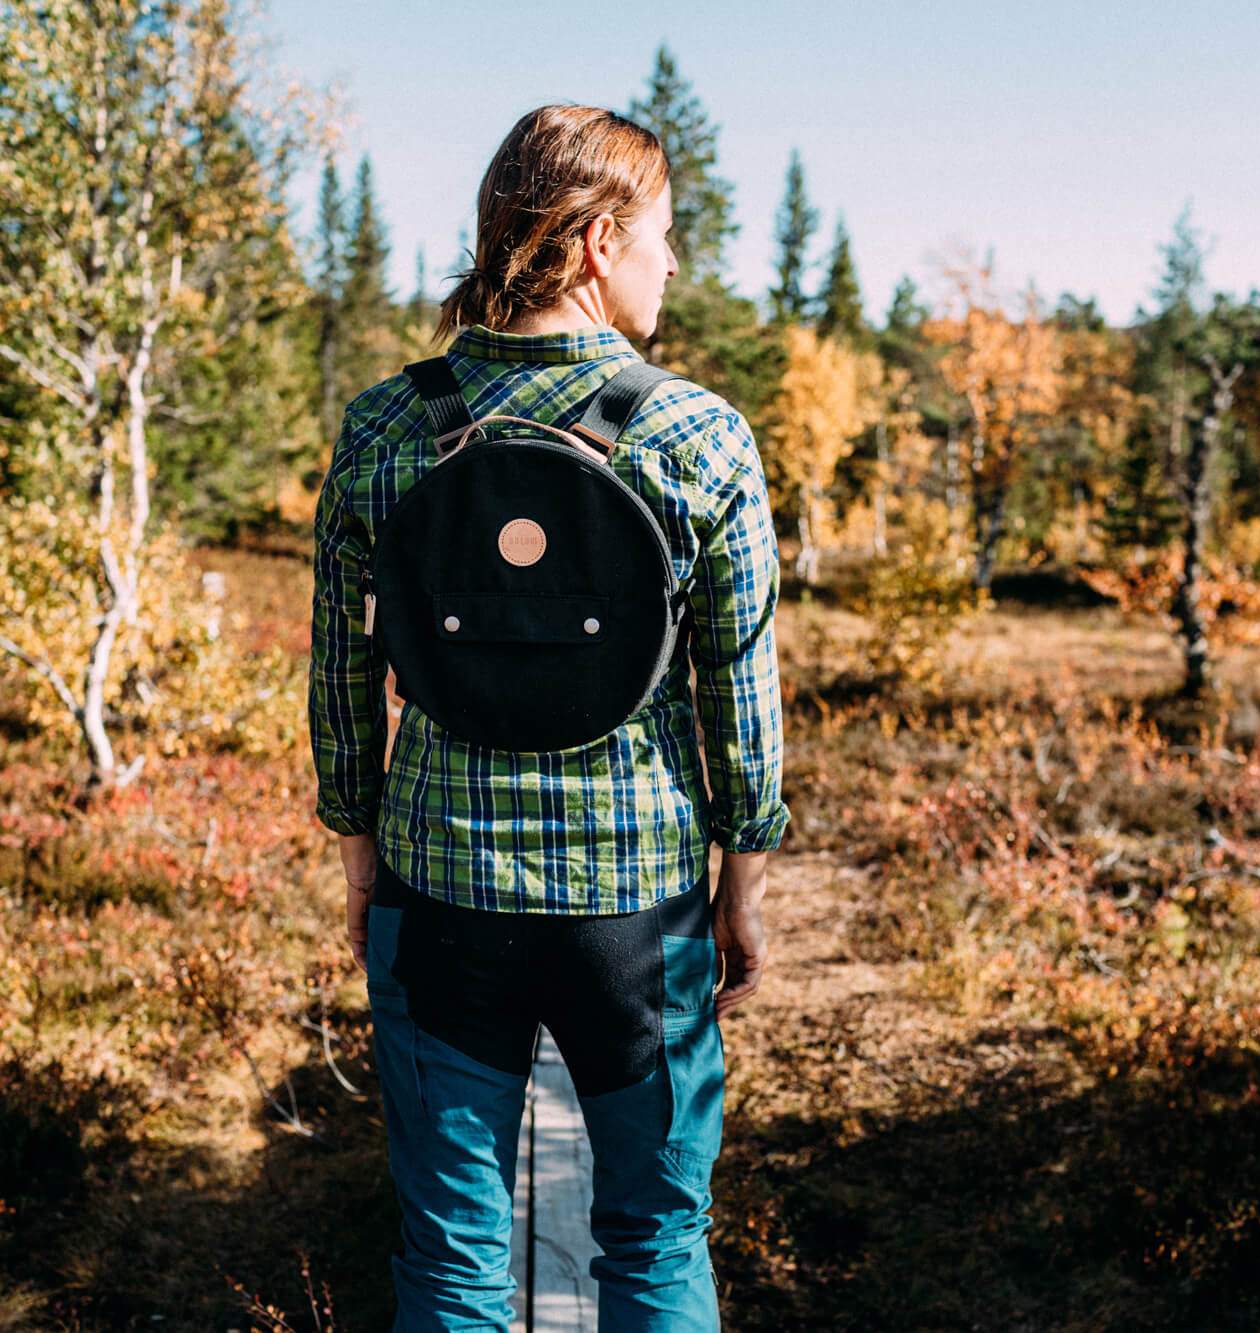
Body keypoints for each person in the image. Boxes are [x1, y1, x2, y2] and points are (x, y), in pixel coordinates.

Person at [308, 103, 789, 1331]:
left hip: (441, 886)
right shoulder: (697, 434)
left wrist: (361, 853)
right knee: (652, 1233)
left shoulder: (386, 427)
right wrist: (743, 880)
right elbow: (739, 683)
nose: (672, 262)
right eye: (662, 235)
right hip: (638, 909)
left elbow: (340, 673)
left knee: (456, 1253)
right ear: (593, 241)